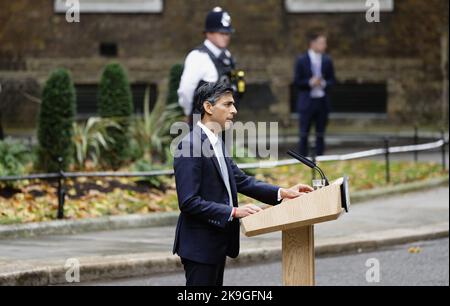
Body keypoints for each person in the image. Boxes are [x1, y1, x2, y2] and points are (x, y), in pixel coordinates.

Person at [172, 81, 313, 286]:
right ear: (208, 107)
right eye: (227, 105)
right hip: (199, 246)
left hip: (217, 243)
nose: (234, 110)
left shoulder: (216, 141)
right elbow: (188, 201)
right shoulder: (190, 146)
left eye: (233, 104)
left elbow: (240, 180)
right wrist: (234, 212)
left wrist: (282, 193)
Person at [177, 7, 244, 124]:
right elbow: (185, 90)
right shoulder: (198, 56)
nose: (226, 37)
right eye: (221, 32)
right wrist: (189, 113)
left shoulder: (227, 56)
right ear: (209, 33)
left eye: (228, 33)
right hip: (203, 123)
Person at [294, 31, 336, 157]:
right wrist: (310, 82)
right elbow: (297, 81)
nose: (325, 46)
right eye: (322, 43)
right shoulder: (301, 60)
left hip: (322, 101)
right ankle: (302, 157)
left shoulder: (327, 60)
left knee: (320, 133)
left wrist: (322, 83)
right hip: (307, 102)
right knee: (304, 132)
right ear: (313, 44)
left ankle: (320, 157)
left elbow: (332, 80)